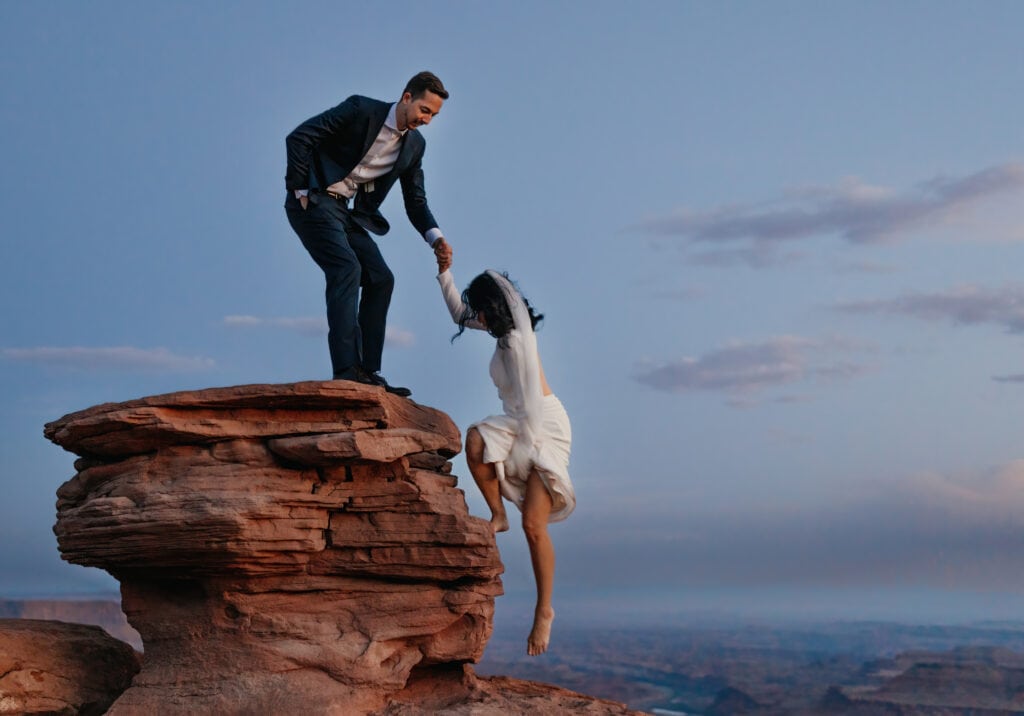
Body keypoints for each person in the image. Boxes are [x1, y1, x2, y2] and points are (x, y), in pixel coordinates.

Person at [435, 252, 576, 657]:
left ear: (492, 306)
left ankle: (544, 610)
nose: (474, 313)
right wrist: (444, 270)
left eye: (479, 306)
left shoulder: (518, 341)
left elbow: (532, 401)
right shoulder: (500, 331)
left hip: (544, 425)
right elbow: (458, 314)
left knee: (534, 526)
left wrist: (527, 450)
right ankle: (497, 516)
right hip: (518, 418)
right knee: (475, 440)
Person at [284, 71, 454, 396]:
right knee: (346, 268)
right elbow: (299, 137)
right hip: (314, 201)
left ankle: (369, 371)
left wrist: (436, 238)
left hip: (345, 213)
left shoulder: (415, 146)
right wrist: (300, 189)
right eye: (425, 110)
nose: (428, 119)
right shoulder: (361, 109)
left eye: (434, 115)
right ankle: (347, 371)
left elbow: (416, 201)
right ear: (407, 98)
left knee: (380, 278)